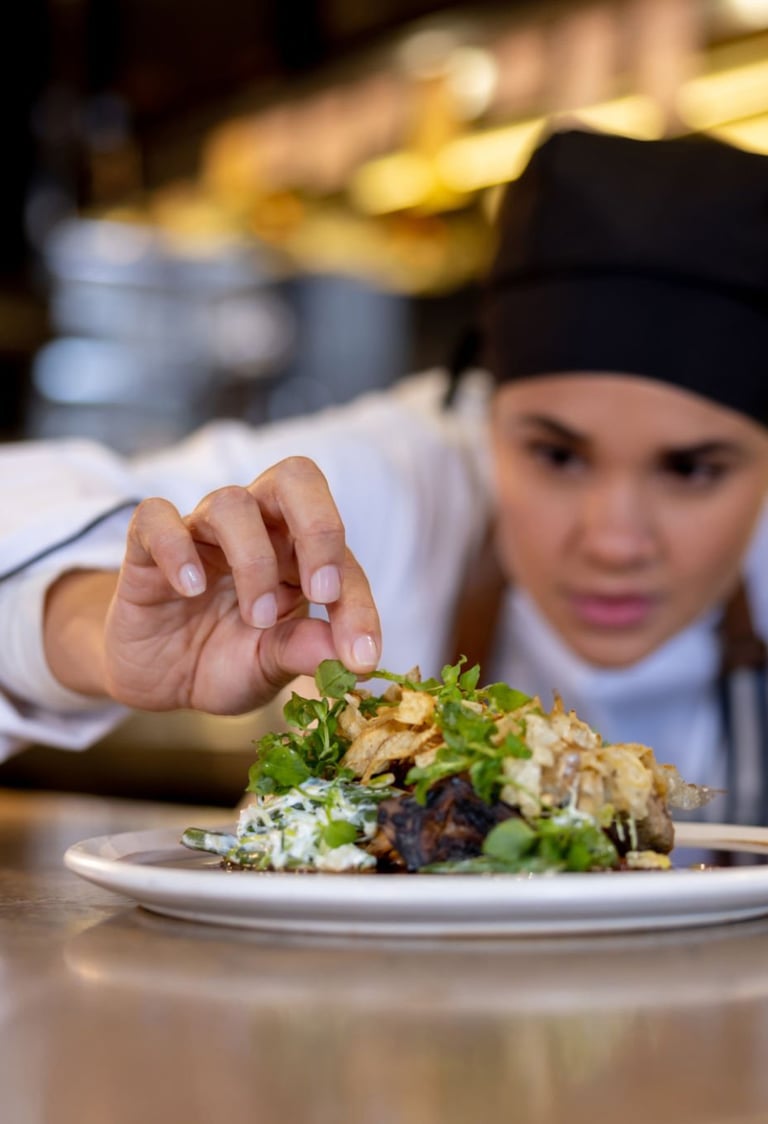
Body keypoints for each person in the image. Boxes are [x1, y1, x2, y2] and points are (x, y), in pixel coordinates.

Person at [2, 126, 768, 823]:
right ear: (482, 411)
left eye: (693, 469)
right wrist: (98, 630)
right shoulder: (404, 476)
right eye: (556, 455)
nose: (613, 539)